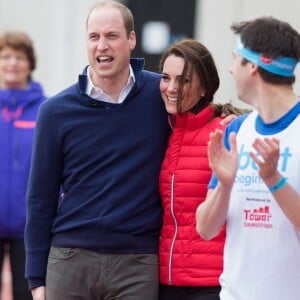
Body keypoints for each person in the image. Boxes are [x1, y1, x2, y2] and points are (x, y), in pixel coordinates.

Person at [24, 1, 171, 300]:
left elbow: (200, 115)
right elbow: (40, 197)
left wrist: (230, 117)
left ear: (131, 39)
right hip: (69, 260)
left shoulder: (161, 98)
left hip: (137, 263)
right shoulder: (55, 112)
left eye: (112, 36)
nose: (102, 46)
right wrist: (36, 279)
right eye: (94, 37)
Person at [196, 16, 300, 300]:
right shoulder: (236, 130)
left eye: (235, 60)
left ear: (253, 65)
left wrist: (273, 180)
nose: (230, 69)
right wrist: (225, 186)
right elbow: (205, 228)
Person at [158, 39, 246, 300]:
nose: (171, 88)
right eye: (165, 78)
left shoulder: (227, 131)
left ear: (204, 87)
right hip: (166, 282)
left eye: (183, 80)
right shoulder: (163, 131)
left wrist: (248, 121)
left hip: (212, 283)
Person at [0, 31, 46, 300]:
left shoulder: (45, 108)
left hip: (28, 224)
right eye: (6, 56)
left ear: (30, 63)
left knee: (24, 293)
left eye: (19, 57)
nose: (12, 63)